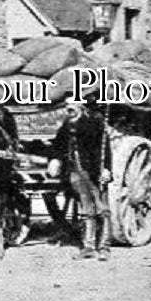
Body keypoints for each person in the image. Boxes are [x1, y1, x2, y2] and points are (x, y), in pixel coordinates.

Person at [47, 97, 113, 261]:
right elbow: (57, 146)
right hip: (75, 173)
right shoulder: (66, 127)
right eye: (68, 106)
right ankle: (88, 247)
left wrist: (106, 169)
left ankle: (104, 247)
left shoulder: (95, 125)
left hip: (94, 172)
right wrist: (55, 159)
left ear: (81, 107)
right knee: (87, 209)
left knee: (102, 209)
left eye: (73, 106)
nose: (70, 108)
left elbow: (105, 150)